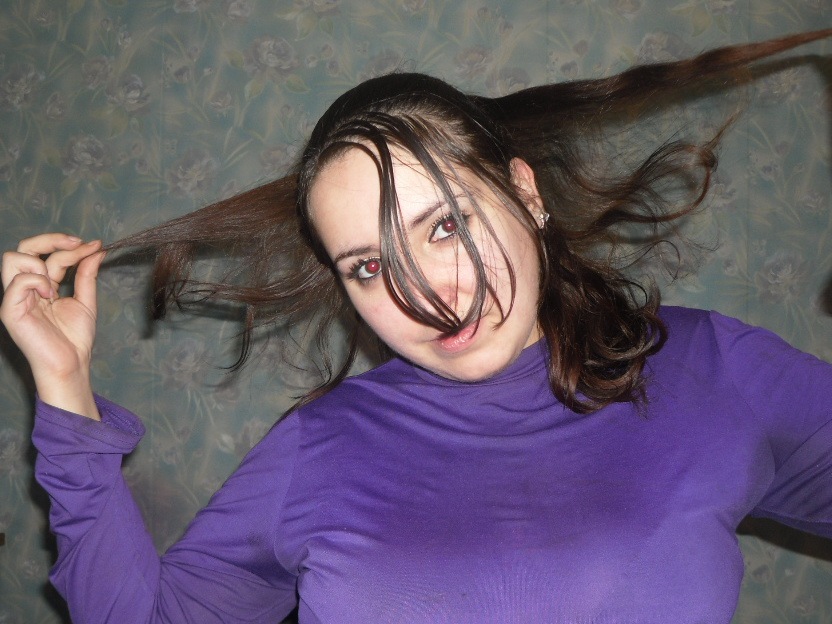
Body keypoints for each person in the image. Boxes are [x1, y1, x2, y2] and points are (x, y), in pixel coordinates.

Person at [2, 30, 831, 624]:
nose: (424, 295)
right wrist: (64, 383)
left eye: (445, 226)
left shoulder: (709, 370)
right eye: (368, 266)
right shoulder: (318, 448)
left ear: (525, 192)